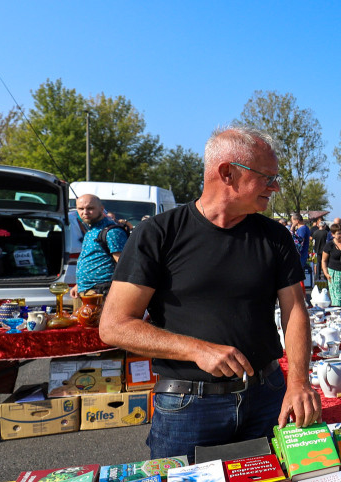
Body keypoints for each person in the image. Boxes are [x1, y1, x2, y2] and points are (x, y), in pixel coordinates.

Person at [100, 124, 321, 460]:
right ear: (227, 172)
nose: (275, 187)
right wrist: (197, 349)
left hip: (266, 395)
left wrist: (299, 382)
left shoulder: (275, 236)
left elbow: (295, 311)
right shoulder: (159, 233)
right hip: (189, 404)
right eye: (267, 177)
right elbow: (114, 325)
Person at [71, 194, 126, 301]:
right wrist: (79, 285)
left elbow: (123, 265)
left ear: (101, 209)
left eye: (90, 208)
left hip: (101, 292)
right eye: (81, 209)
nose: (85, 212)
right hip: (87, 290)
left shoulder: (112, 231)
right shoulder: (93, 229)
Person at [322, 226, 341, 309]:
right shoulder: (329, 245)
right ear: (333, 234)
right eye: (339, 234)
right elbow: (324, 260)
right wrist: (326, 273)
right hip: (334, 274)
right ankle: (337, 315)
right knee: (337, 298)